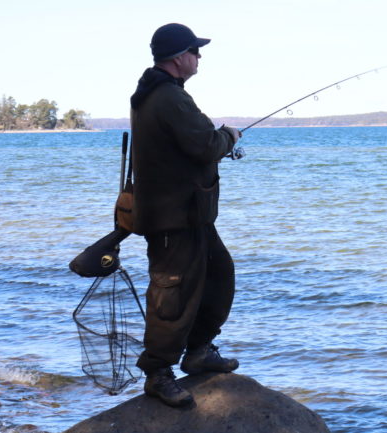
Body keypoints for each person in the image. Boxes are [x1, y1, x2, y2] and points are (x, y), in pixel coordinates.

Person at [129, 23, 242, 407]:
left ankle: (198, 351)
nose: (199, 57)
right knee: (170, 294)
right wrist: (229, 135)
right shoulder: (168, 98)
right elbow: (205, 144)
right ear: (180, 58)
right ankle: (158, 373)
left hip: (189, 214)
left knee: (219, 274)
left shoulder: (160, 92)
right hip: (172, 217)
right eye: (195, 51)